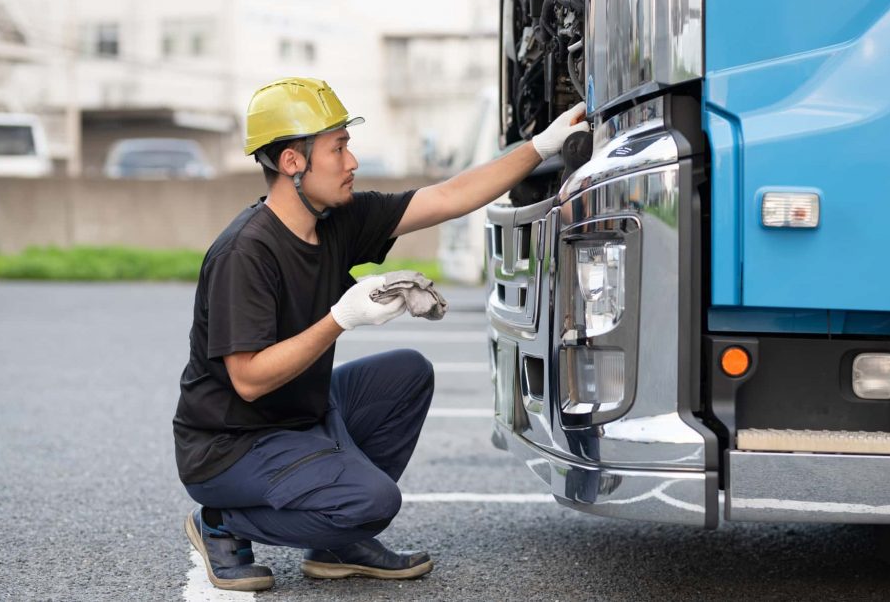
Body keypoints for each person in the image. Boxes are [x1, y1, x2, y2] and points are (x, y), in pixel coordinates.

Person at [172, 77, 587, 592]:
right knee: (373, 503)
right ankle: (221, 522)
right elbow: (250, 380)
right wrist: (340, 319)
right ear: (291, 162)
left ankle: (334, 543)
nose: (352, 162)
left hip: (298, 418)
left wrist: (540, 148)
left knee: (406, 374)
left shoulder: (336, 220)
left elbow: (446, 198)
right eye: (338, 148)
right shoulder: (246, 253)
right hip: (230, 445)